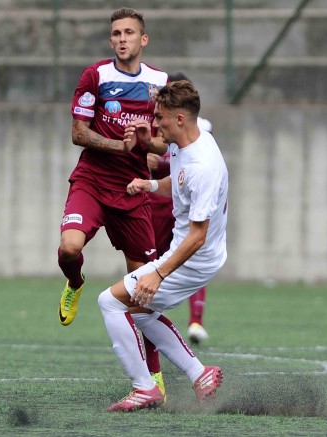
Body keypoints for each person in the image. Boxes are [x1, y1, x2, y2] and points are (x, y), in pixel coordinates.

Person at [97, 79, 228, 412]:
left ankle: (145, 388)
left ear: (180, 119)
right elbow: (179, 181)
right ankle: (200, 375)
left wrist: (157, 275)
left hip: (194, 257)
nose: (155, 123)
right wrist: (151, 184)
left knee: (110, 302)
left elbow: (197, 236)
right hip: (190, 251)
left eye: (160, 118)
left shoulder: (203, 166)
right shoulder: (189, 141)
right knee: (140, 310)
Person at [57, 7, 167, 327]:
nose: (122, 39)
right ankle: (75, 282)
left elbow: (164, 145)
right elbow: (78, 133)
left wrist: (147, 143)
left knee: (142, 288)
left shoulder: (160, 82)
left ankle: (151, 360)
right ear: (110, 41)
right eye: (116, 34)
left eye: (129, 32)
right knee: (69, 247)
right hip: (92, 180)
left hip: (132, 188)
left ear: (143, 39)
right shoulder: (96, 76)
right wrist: (121, 146)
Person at [151, 72, 213, 345]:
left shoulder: (201, 129)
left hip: (181, 203)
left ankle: (195, 321)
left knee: (189, 256)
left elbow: (191, 163)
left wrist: (159, 162)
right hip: (157, 201)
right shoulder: (155, 122)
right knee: (154, 259)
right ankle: (154, 316)